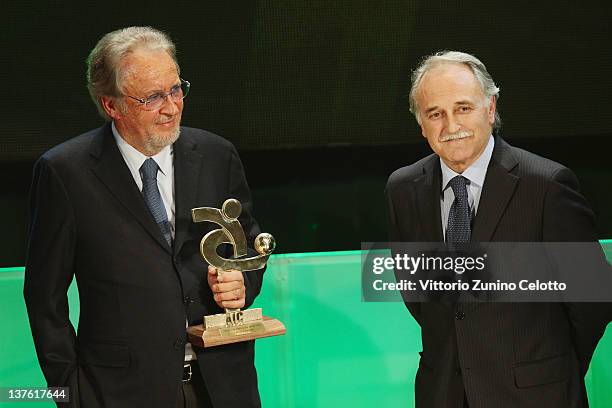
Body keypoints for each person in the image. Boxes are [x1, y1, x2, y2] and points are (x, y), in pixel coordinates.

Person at [24, 26, 264, 408]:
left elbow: (248, 244)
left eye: (175, 89)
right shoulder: (65, 173)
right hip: (120, 394)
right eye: (152, 97)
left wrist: (243, 283)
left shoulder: (217, 155)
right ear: (112, 105)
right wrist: (71, 396)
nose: (171, 107)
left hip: (223, 386)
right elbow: (44, 298)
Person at [385, 51, 611, 407]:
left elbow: (593, 298)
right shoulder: (403, 188)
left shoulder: (547, 185)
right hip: (442, 393)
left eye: (463, 108)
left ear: (490, 109)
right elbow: (417, 293)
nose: (450, 125)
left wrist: (553, 368)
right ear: (421, 125)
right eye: (435, 114)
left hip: (536, 394)